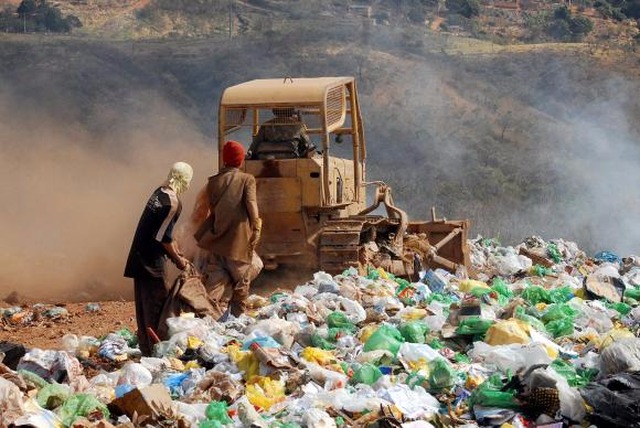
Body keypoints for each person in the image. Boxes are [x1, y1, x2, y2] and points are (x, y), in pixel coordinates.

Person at [124, 161, 193, 356]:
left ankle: (147, 348)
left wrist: (177, 252)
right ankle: (158, 351)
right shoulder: (172, 202)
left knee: (143, 307)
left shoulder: (159, 193)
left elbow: (163, 233)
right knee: (158, 306)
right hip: (151, 263)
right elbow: (163, 238)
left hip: (139, 257)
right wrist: (178, 261)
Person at [194, 141, 262, 318]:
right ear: (240, 160)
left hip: (216, 241)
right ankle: (237, 317)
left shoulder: (213, 182)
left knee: (214, 285)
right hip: (237, 243)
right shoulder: (247, 179)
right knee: (244, 278)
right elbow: (251, 204)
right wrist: (256, 226)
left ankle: (205, 318)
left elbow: (206, 210)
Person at [248, 107, 314, 159]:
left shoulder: (266, 125)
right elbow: (308, 145)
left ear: (275, 111)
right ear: (291, 111)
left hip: (267, 160)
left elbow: (255, 145)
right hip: (291, 158)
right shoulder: (297, 126)